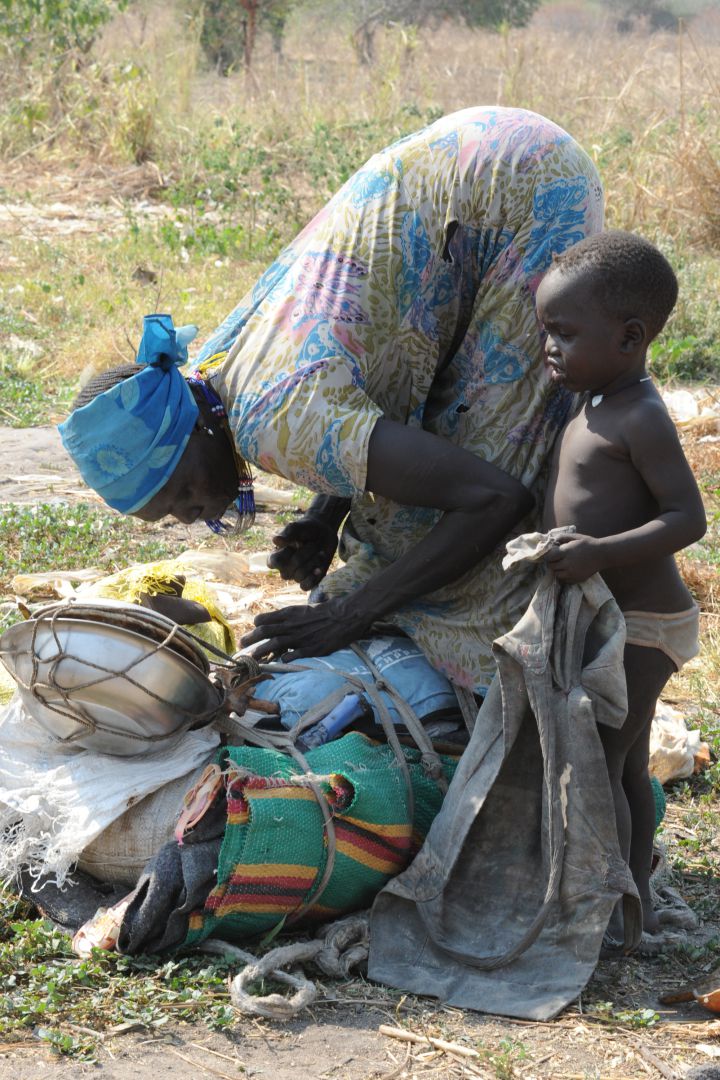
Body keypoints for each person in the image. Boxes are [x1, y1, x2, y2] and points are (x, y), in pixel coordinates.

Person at [59, 106, 604, 694]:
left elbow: (495, 497)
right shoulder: (210, 370)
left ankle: (566, 657)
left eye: (182, 490)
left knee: (496, 504)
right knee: (419, 499)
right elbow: (352, 380)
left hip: (523, 185)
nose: (194, 514)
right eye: (171, 514)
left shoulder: (273, 421)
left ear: (192, 431)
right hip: (468, 157)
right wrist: (324, 514)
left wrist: (350, 614)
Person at [536, 230, 707, 933]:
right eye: (546, 331)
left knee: (606, 762)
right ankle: (624, 904)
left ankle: (615, 913)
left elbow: (687, 518)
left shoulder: (641, 415)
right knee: (626, 762)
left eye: (564, 333)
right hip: (614, 617)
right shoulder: (592, 399)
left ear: (630, 337)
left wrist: (599, 552)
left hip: (646, 623)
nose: (550, 348)